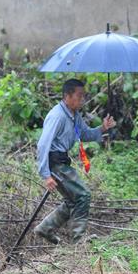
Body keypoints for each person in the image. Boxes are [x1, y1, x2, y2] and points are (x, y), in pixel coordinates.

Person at [34, 79, 116, 243]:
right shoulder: (57, 116)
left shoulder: (74, 115)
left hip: (62, 162)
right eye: (79, 96)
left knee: (73, 200)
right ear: (67, 96)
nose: (82, 100)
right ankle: (78, 240)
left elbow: (85, 134)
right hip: (55, 163)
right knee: (83, 195)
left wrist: (103, 128)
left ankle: (45, 229)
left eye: (83, 96)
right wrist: (45, 174)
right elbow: (43, 144)